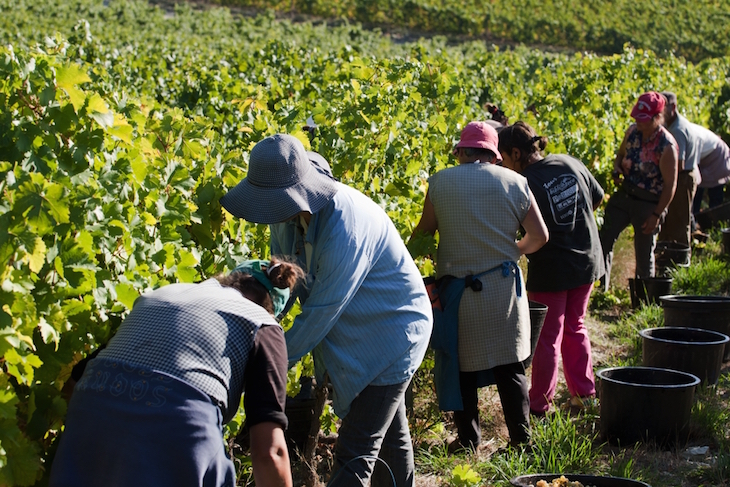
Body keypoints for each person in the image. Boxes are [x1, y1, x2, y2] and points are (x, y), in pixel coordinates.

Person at [220, 134, 432, 487]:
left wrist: (265, 360)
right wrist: (252, 330)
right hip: (354, 338)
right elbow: (282, 283)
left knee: (356, 451)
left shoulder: (346, 221)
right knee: (390, 442)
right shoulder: (285, 217)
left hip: (392, 335)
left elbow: (322, 310)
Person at [49, 258, 304, 487]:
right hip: (179, 420)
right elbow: (269, 452)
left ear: (229, 280)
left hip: (92, 404)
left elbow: (77, 380)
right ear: (272, 309)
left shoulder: (163, 294)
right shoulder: (262, 323)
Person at [410, 121, 548, 450]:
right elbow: (540, 236)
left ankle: (468, 439)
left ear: (460, 151)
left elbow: (422, 237)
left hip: (457, 290)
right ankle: (521, 441)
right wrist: (512, 250)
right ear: (494, 155)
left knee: (462, 366)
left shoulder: (440, 182)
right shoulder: (516, 182)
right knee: (510, 365)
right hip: (501, 288)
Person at [497, 121, 605, 416]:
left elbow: (526, 231)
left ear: (516, 153)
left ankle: (539, 406)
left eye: (503, 157)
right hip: (587, 260)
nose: (502, 164)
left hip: (552, 269)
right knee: (576, 327)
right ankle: (585, 396)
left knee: (547, 337)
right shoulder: (570, 162)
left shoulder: (522, 184)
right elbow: (597, 198)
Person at [599, 91, 679, 290]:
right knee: (604, 239)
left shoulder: (666, 146)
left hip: (649, 202)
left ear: (657, 117)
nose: (639, 122)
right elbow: (620, 155)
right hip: (625, 194)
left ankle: (642, 299)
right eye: (637, 117)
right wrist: (617, 168)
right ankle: (601, 288)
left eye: (643, 119)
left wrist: (656, 215)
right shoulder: (632, 132)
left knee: (644, 253)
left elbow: (670, 186)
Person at [657, 91, 701, 248]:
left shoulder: (677, 130)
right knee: (672, 221)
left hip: (681, 179)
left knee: (679, 223)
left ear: (673, 107)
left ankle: (679, 261)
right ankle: (667, 259)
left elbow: (679, 164)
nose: (660, 110)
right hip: (681, 176)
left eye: (663, 106)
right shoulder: (673, 124)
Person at [690, 124, 730, 216]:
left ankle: (714, 223)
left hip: (718, 158)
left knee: (715, 198)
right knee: (696, 191)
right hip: (704, 159)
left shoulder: (683, 133)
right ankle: (695, 219)